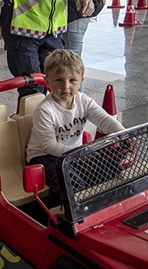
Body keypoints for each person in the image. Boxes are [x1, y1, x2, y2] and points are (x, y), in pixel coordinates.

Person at [25, 49, 125, 194]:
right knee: (72, 184)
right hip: (44, 157)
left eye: (72, 80)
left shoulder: (83, 101)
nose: (66, 86)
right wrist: (79, 153)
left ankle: (104, 201)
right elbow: (49, 146)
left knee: (110, 169)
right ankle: (73, 206)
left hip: (75, 153)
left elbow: (104, 120)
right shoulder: (44, 110)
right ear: (47, 82)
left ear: (81, 82)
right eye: (58, 80)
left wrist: (123, 134)